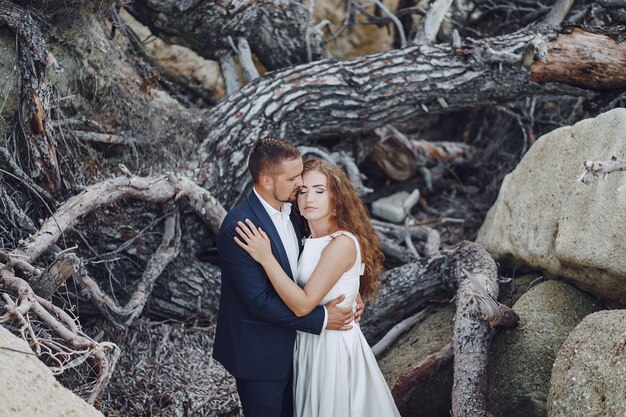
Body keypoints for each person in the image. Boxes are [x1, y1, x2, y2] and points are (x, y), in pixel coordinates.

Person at [234, 158, 401, 417]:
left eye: (319, 191)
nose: (308, 198)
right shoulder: (307, 236)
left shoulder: (341, 243)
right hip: (309, 343)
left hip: (332, 350)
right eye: (303, 191)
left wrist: (265, 257)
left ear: (337, 198)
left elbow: (303, 304)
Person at [212, 139, 360, 417]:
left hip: (303, 352)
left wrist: (352, 292)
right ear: (267, 181)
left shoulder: (296, 212)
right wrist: (324, 319)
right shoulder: (241, 227)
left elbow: (326, 256)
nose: (300, 183)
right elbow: (259, 302)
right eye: (293, 178)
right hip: (261, 355)